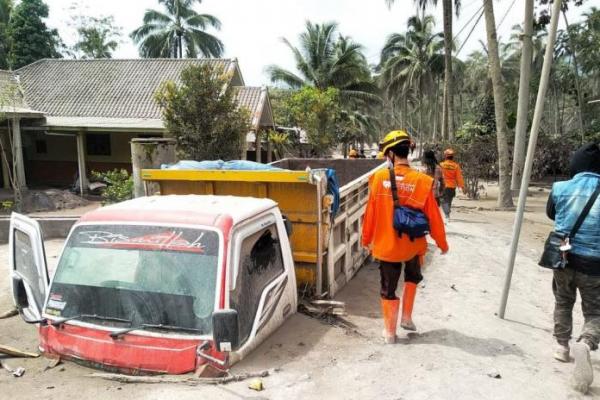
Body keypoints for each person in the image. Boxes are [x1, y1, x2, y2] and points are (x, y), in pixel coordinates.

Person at [362, 130, 449, 344]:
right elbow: (434, 218)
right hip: (413, 246)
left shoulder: (378, 178)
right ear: (407, 151)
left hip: (387, 247)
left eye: (385, 154)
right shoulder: (422, 181)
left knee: (388, 288)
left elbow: (370, 215)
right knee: (412, 277)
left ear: (391, 153)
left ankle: (390, 333)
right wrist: (442, 243)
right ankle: (407, 318)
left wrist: (366, 240)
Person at [546, 143, 600, 393]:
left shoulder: (560, 188)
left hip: (563, 258)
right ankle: (587, 343)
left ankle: (562, 346)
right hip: (595, 264)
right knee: (595, 312)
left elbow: (551, 214)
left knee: (563, 301)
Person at [439, 148, 465, 220]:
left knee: (443, 200)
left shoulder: (441, 165)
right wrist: (462, 187)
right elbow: (459, 177)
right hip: (452, 186)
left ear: (445, 156)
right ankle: (447, 214)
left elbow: (438, 175)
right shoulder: (456, 166)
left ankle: (447, 214)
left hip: (443, 185)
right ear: (452, 156)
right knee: (449, 200)